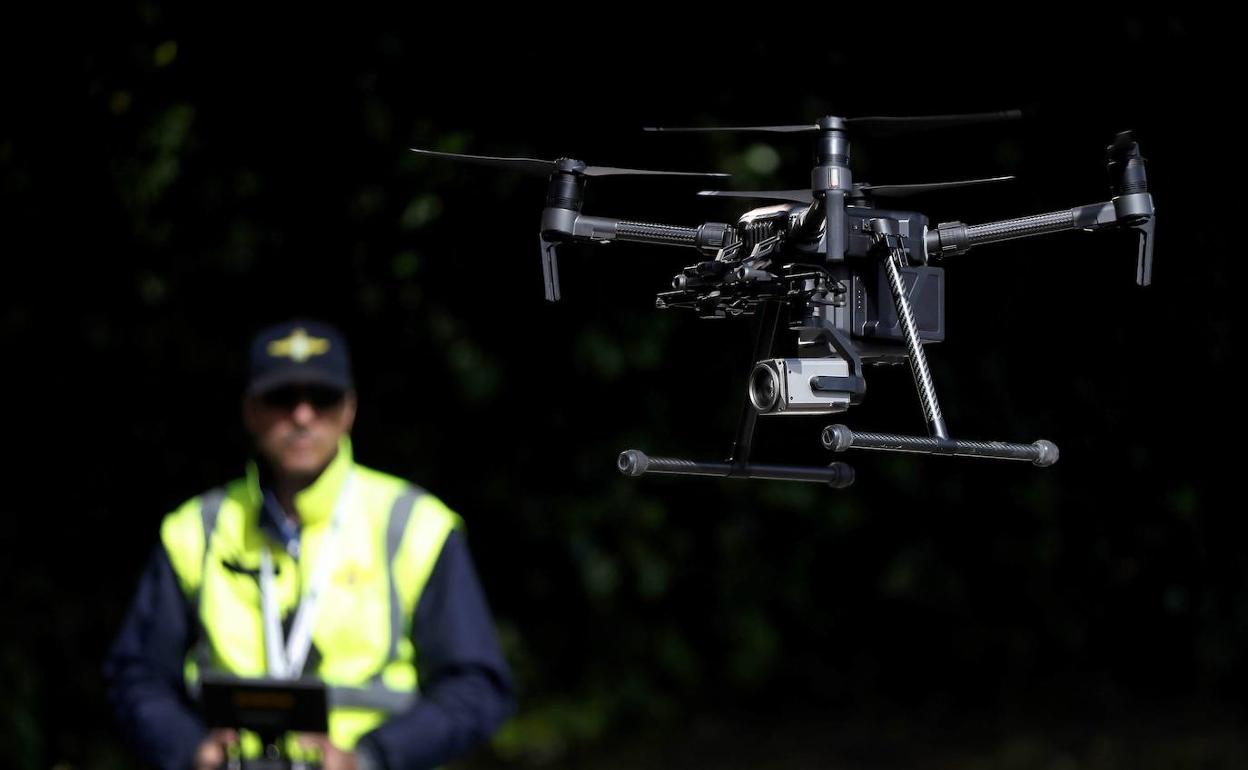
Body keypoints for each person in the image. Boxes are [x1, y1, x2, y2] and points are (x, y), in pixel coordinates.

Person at [105, 319, 514, 770]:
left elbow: (475, 686)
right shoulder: (194, 530)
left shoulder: (416, 525)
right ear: (251, 411)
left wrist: (370, 756)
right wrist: (191, 750)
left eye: (322, 398)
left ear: (349, 410)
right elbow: (137, 675)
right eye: (282, 398)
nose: (302, 416)